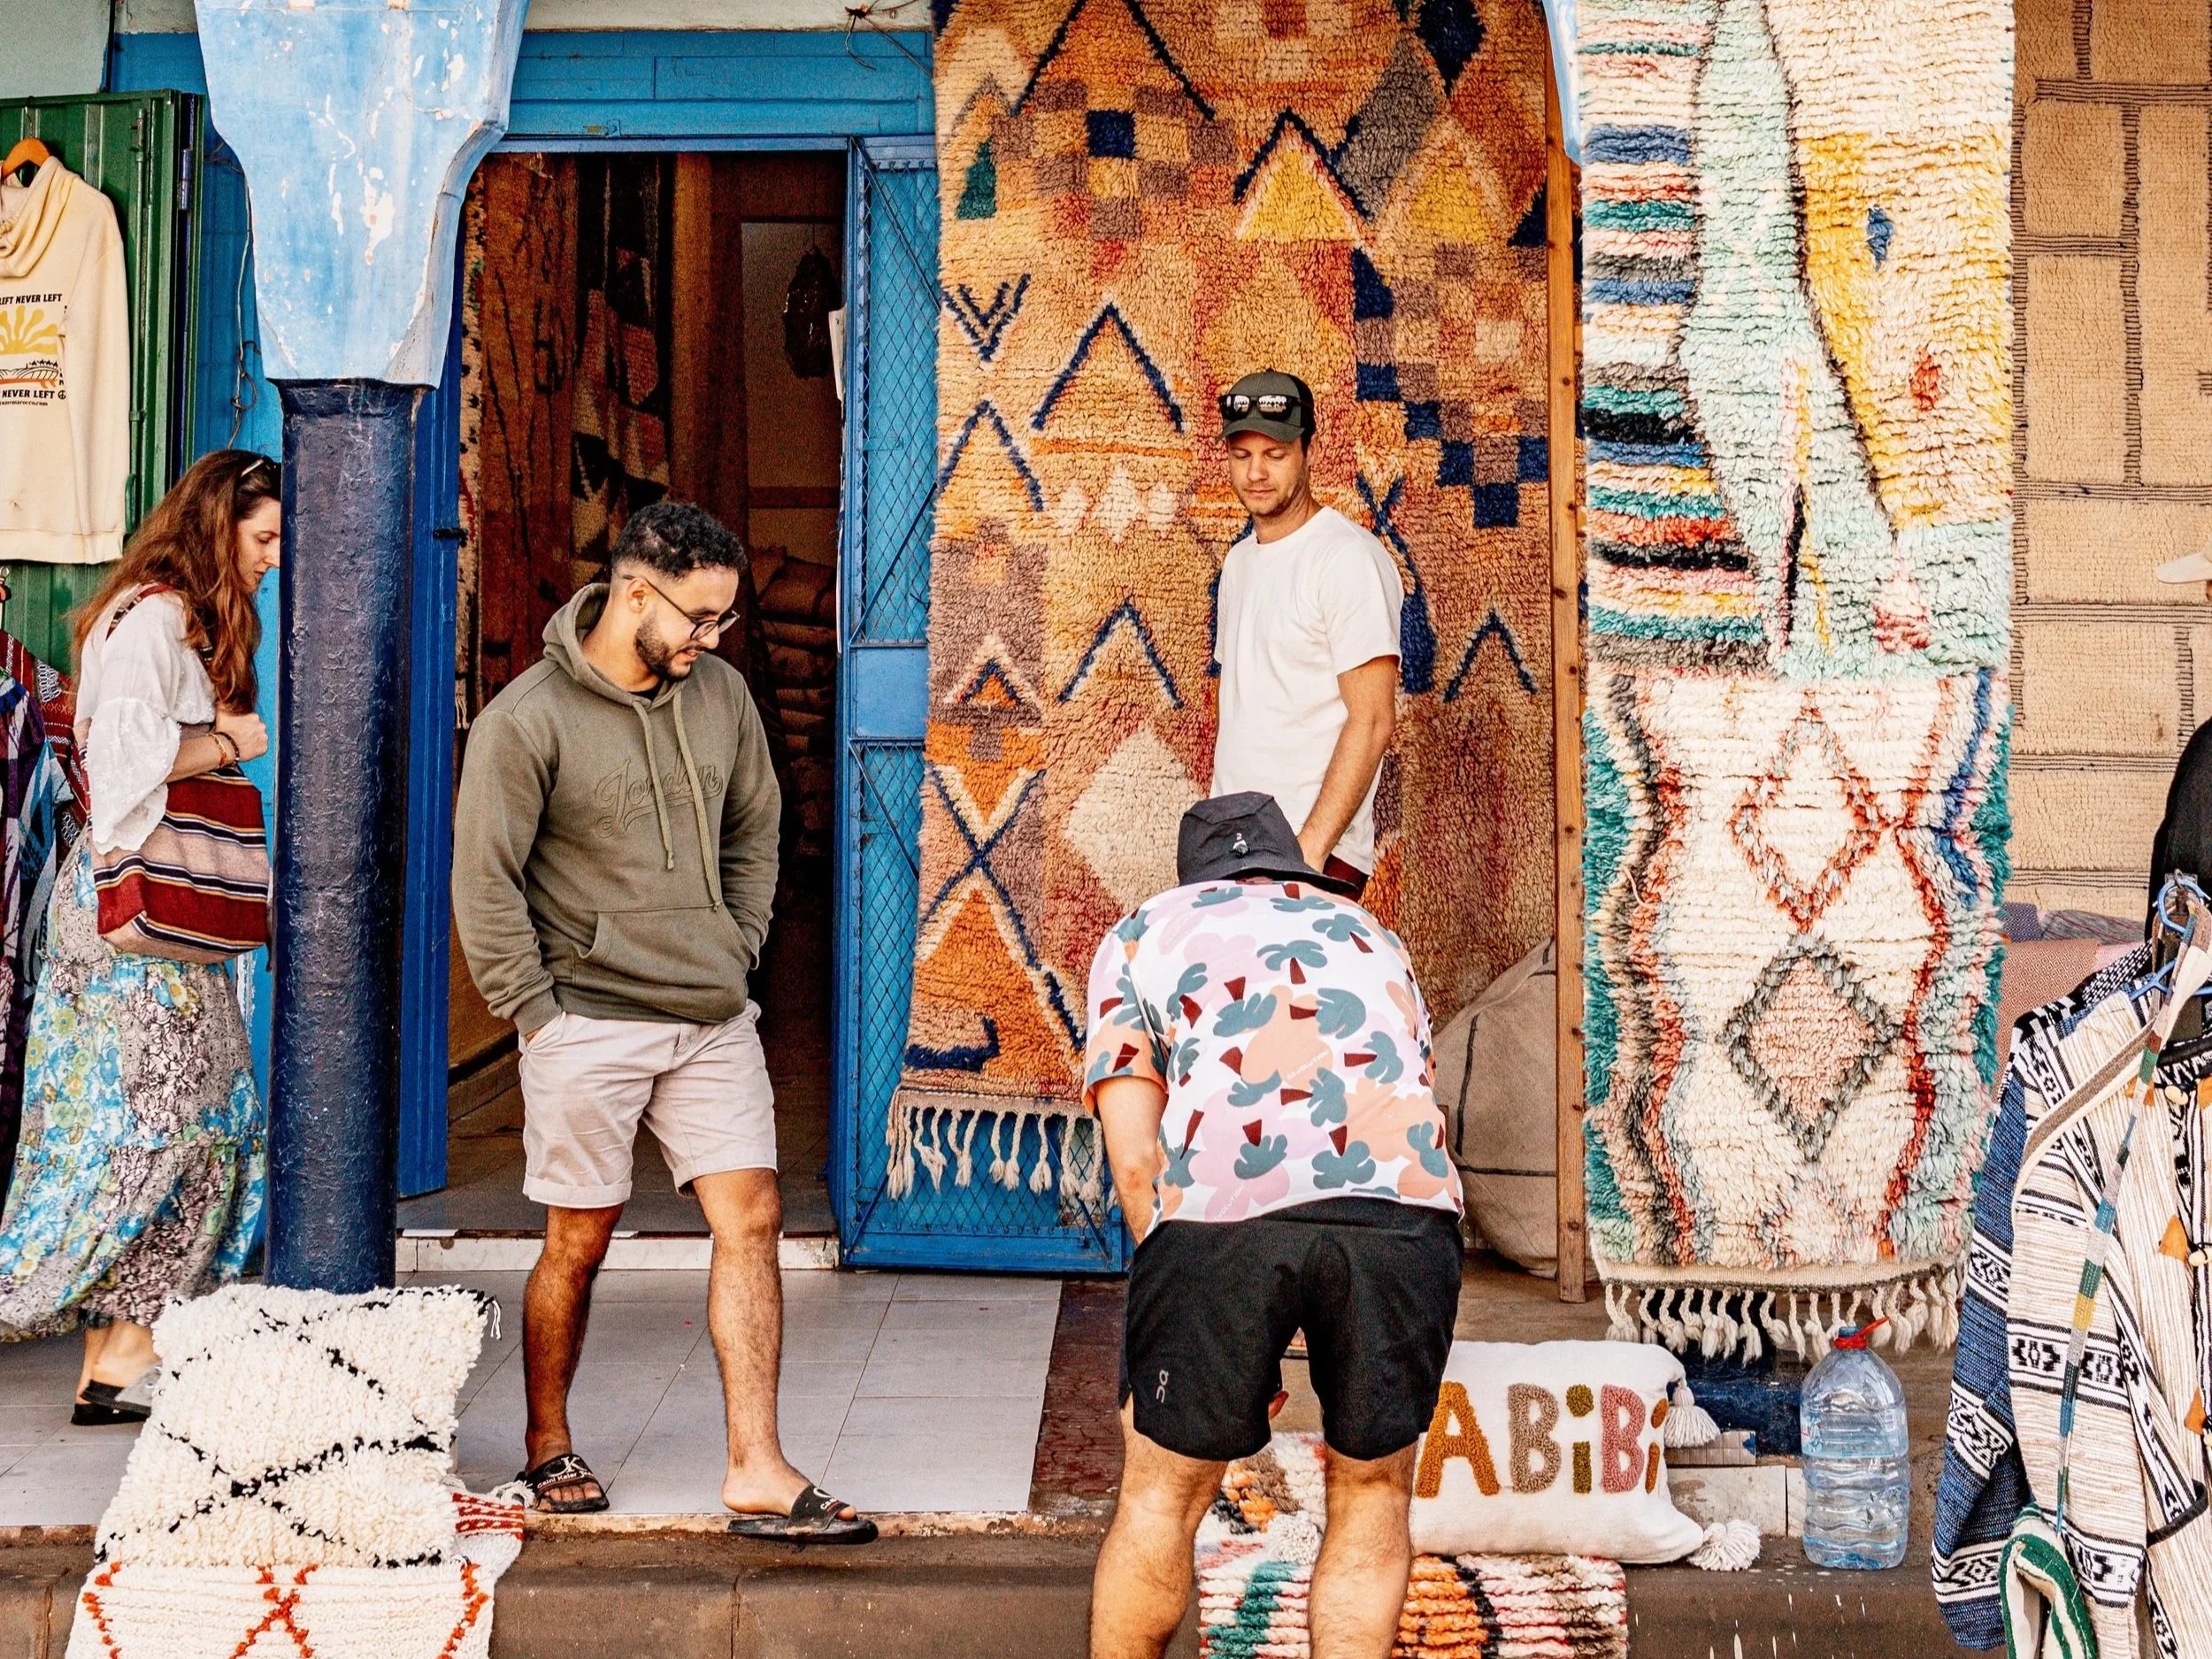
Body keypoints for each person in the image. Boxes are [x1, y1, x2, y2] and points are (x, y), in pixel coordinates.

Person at [450, 500, 872, 1540]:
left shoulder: (720, 694)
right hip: (585, 1019)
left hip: (711, 1014)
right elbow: (486, 883)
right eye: (696, 618)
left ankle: (756, 1466)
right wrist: (535, 1017)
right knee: (579, 1239)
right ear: (634, 591)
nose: (710, 640)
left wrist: (736, 944)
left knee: (755, 1217)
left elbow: (756, 826)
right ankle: (549, 1442)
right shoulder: (526, 720)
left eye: (723, 622)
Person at [1083, 793, 1463, 1659]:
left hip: (1224, 1208)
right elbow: (1406, 1088)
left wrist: (1200, 1325)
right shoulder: (1372, 936)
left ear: (1198, 879)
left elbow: (1137, 1161)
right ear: (1293, 867)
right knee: (1372, 1491)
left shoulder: (1143, 932)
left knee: (1160, 1494)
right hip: (1404, 1210)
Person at [0, 449, 278, 1422]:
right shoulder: (154, 621)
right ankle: (106, 1346)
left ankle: (116, 1365)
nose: (274, 559)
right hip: (133, 929)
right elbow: (121, 775)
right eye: (264, 537)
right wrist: (229, 742)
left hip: (145, 926)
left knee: (170, 1132)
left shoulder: (169, 620)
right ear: (217, 528)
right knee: (178, 1134)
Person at [1211, 371, 1403, 897]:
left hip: (1310, 854)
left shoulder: (1347, 559)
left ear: (1307, 451)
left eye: (1275, 454)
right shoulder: (1238, 564)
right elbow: (1247, 707)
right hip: (1234, 849)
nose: (1256, 472)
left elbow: (1373, 720)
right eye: (1241, 454)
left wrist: (1308, 853)